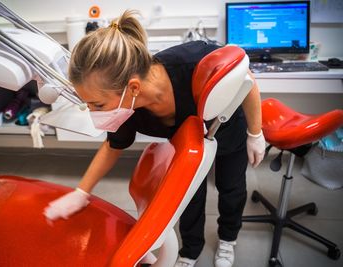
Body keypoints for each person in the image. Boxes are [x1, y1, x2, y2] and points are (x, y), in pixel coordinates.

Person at [44, 10, 265, 267]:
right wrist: (81, 192)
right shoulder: (127, 108)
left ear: (134, 88)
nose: (94, 113)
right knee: (190, 196)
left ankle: (228, 239)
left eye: (98, 104)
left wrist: (255, 133)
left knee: (231, 188)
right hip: (188, 144)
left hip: (227, 128)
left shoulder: (192, 62)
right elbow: (112, 146)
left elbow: (247, 78)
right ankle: (191, 251)